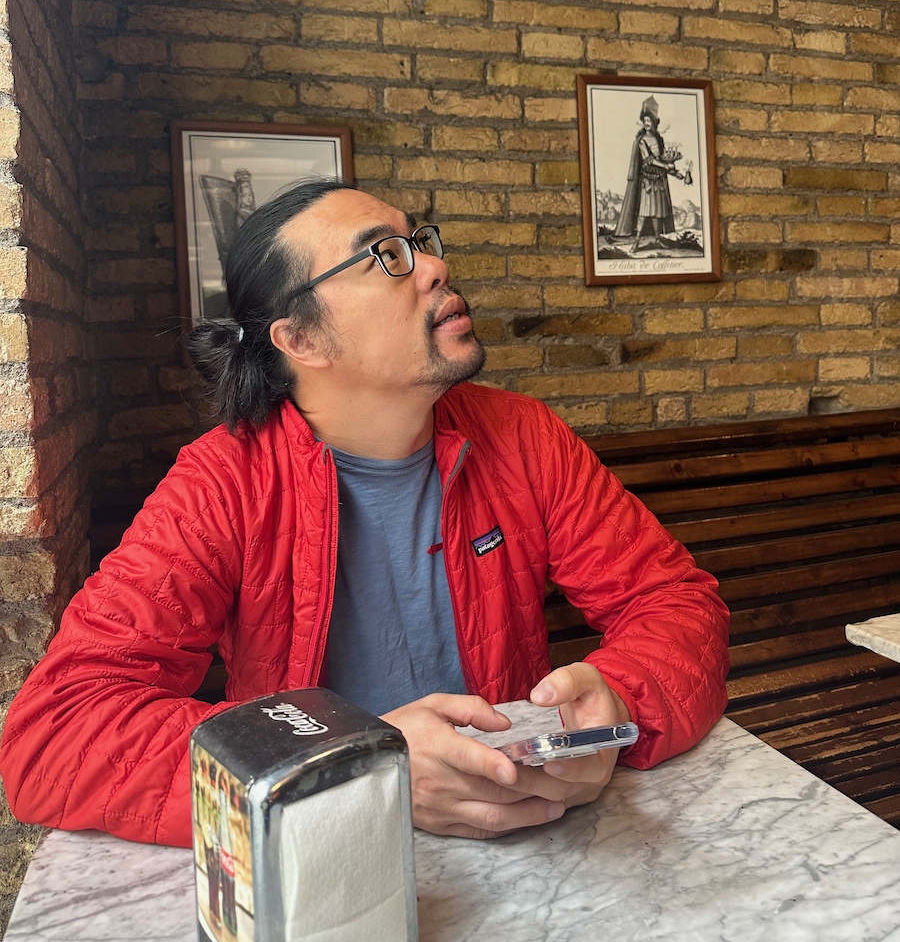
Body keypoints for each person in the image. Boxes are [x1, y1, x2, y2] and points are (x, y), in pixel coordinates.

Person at [0, 179, 729, 847]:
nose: (435, 267)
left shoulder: (522, 438)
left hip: (526, 830)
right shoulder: (223, 484)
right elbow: (55, 736)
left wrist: (619, 701)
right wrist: (356, 768)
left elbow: (673, 602)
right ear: (302, 339)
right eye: (386, 256)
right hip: (331, 860)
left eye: (420, 243)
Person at [614, 96, 689, 253]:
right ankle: (636, 241)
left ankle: (657, 239)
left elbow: (662, 158)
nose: (647, 123)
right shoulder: (641, 141)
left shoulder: (658, 139)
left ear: (655, 122)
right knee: (644, 212)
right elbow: (649, 160)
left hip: (659, 181)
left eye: (649, 120)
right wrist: (666, 166)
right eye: (645, 120)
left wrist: (675, 173)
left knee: (657, 213)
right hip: (647, 181)